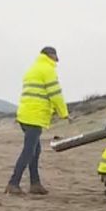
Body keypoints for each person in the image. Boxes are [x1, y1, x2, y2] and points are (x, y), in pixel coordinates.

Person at [7, 47, 69, 195]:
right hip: (34, 116)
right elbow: (55, 94)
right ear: (51, 56)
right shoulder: (47, 70)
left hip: (25, 115)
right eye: (55, 57)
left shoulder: (33, 69)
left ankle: (35, 184)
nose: (56, 61)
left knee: (35, 150)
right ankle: (13, 183)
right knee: (29, 151)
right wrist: (64, 113)